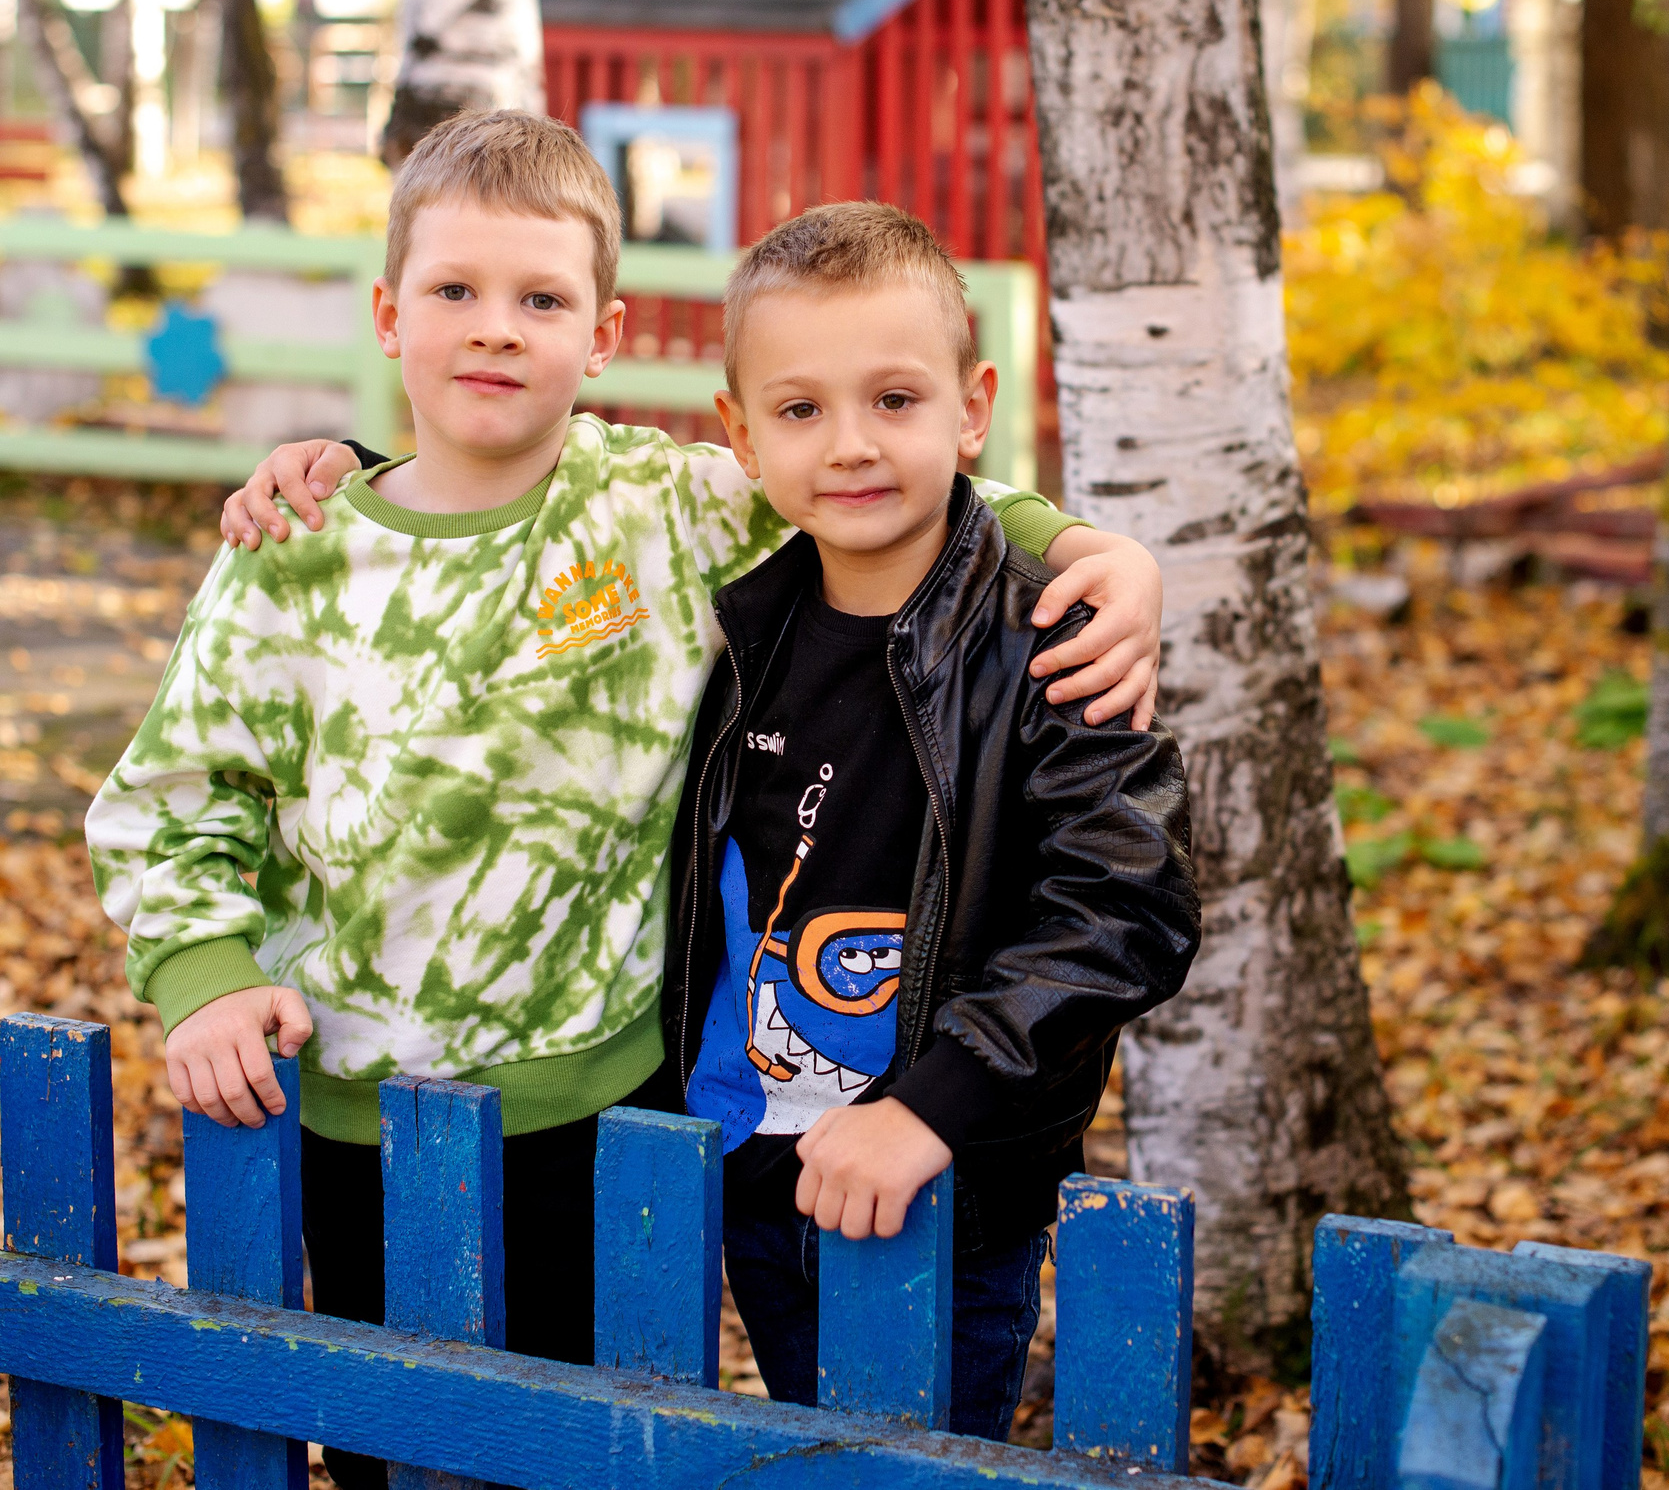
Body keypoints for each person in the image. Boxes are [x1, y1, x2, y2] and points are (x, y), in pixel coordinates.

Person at [87, 111, 1165, 1487]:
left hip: (610, 1108)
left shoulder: (658, 507)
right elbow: (173, 794)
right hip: (359, 1102)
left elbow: (874, 476)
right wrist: (204, 970)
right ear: (386, 313)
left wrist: (1087, 547)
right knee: (392, 1447)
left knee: (606, 1447)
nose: (495, 330)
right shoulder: (293, 550)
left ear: (599, 335)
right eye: (455, 293)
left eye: (540, 299)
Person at [661, 201, 1200, 1439]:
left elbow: (1129, 902)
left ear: (973, 409)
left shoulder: (1055, 634)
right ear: (741, 436)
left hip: (940, 1170)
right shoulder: (744, 623)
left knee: (921, 1456)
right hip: (750, 1151)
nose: (850, 445)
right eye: (800, 410)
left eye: (894, 400)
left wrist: (931, 1107)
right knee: (809, 1437)